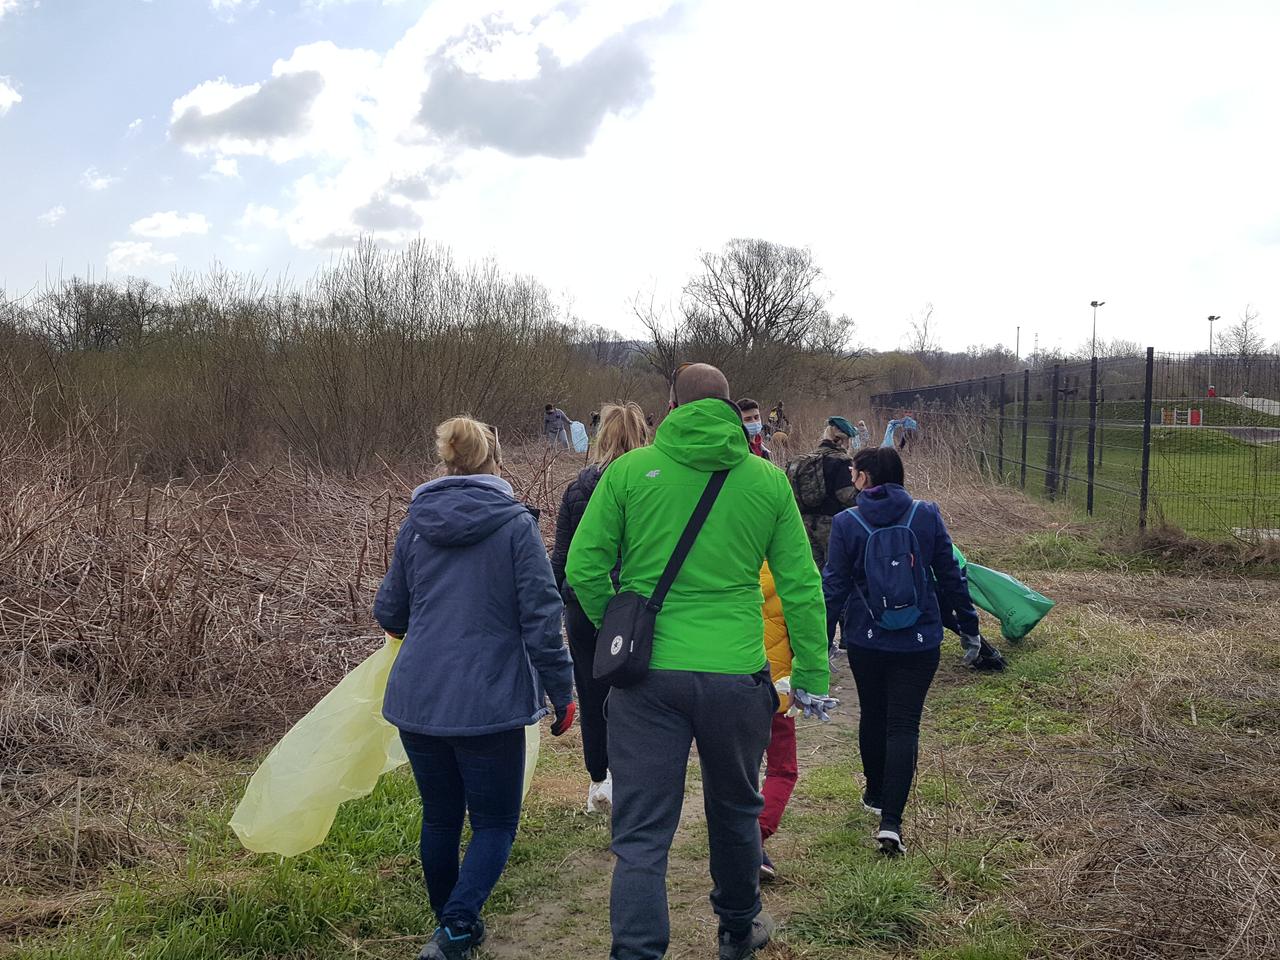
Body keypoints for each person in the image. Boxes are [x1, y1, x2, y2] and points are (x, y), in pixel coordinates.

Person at [566, 363, 835, 960]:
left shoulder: (630, 474)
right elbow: (801, 585)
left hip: (647, 678)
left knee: (641, 831)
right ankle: (739, 928)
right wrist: (812, 673)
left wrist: (620, 623)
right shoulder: (766, 482)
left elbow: (581, 566)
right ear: (733, 408)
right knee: (736, 808)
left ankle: (636, 951)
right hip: (736, 676)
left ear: (672, 405)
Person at [374, 417, 576, 960]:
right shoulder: (515, 526)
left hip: (418, 698)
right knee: (494, 822)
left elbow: (390, 611)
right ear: (496, 460)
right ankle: (458, 926)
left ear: (446, 461)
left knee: (439, 816)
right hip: (490, 703)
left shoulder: (414, 524)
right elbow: (541, 616)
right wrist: (564, 691)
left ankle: (450, 930)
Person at [823, 446, 989, 858]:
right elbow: (953, 576)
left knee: (873, 715)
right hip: (920, 639)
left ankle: (875, 793)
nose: (850, 476)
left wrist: (821, 641)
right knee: (904, 725)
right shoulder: (926, 514)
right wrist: (970, 631)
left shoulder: (847, 522)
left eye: (854, 471)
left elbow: (833, 587)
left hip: (865, 638)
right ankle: (891, 823)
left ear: (865, 477)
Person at [549, 402, 649, 815]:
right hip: (635, 608)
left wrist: (558, 599)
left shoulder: (577, 489)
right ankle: (632, 777)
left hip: (581, 605)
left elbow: (561, 556)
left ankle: (598, 780)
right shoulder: (650, 487)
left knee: (591, 696)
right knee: (639, 696)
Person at [757, 563, 798, 883]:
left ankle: (738, 842)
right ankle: (755, 836)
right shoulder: (787, 568)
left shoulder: (721, 562)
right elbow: (803, 628)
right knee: (782, 769)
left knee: (732, 775)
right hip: (777, 692)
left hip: (728, 688)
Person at [785, 416, 859, 570]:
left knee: (813, 572)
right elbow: (847, 496)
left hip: (804, 525)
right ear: (839, 440)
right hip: (831, 526)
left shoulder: (807, 459)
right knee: (835, 571)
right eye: (849, 440)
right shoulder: (842, 461)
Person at [737, 397, 771, 461]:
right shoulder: (737, 450)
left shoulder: (762, 448)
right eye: (748, 419)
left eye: (756, 417)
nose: (754, 422)